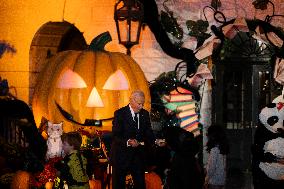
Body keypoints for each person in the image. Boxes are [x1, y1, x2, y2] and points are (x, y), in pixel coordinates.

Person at [110, 90, 156, 189]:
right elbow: (115, 135)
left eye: (142, 104)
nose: (141, 106)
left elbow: (148, 132)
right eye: (139, 103)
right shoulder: (120, 114)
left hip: (138, 156)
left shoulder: (144, 114)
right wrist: (128, 142)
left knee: (140, 184)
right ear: (131, 100)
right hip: (121, 155)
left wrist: (156, 141)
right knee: (118, 185)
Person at [205, 125, 229, 189]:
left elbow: (211, 167)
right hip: (221, 179)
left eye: (208, 134)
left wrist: (206, 179)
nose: (206, 135)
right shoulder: (222, 148)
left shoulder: (214, 149)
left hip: (214, 181)